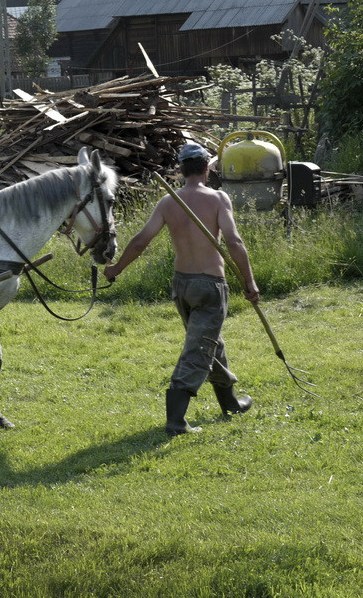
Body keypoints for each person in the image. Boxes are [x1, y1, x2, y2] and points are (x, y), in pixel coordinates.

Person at [103, 141, 259, 436]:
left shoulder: (168, 202)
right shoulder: (218, 198)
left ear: (181, 169)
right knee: (199, 349)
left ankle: (230, 403)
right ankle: (176, 420)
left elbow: (140, 241)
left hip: (182, 286)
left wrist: (116, 269)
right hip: (210, 286)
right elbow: (234, 242)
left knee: (210, 342)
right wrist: (249, 283)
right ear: (207, 168)